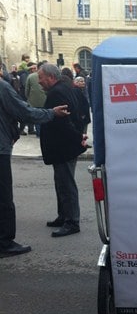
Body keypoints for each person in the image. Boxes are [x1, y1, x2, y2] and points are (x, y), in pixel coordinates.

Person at [0, 69, 70, 258]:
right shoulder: (2, 87)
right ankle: (4, 243)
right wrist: (51, 113)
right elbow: (24, 111)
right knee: (4, 198)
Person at [38, 63, 88, 237]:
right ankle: (64, 215)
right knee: (61, 183)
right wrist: (80, 136)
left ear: (51, 77)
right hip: (64, 146)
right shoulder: (65, 88)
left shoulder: (57, 92)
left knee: (66, 184)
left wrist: (78, 137)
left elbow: (64, 123)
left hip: (63, 147)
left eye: (41, 78)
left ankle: (72, 221)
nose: (39, 82)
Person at [25, 63, 47, 137]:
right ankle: (44, 132)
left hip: (33, 100)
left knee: (37, 116)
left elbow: (27, 89)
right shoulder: (46, 75)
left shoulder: (30, 76)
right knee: (44, 115)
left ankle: (38, 133)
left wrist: (28, 97)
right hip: (44, 99)